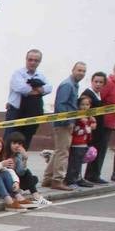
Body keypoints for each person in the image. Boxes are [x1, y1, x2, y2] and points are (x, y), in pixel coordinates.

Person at [45, 62, 86, 191]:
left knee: (59, 151)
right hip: (64, 123)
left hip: (67, 122)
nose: (81, 73)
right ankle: (58, 180)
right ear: (73, 70)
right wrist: (68, 121)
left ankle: (48, 178)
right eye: (79, 70)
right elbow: (61, 104)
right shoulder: (68, 85)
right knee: (63, 152)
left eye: (84, 71)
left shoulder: (74, 84)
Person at [89, 63, 115, 183]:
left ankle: (95, 174)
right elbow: (100, 99)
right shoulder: (109, 83)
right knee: (99, 149)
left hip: (111, 122)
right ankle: (93, 175)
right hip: (103, 122)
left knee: (102, 149)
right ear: (114, 70)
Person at [6, 48, 49, 147]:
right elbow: (22, 88)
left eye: (36, 60)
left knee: (25, 141)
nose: (33, 62)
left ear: (39, 62)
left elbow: (49, 88)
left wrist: (35, 89)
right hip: (15, 112)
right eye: (30, 59)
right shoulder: (18, 73)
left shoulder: (41, 75)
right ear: (26, 60)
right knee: (9, 141)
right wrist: (39, 89)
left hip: (32, 113)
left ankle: (20, 162)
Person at [67, 94, 97, 188]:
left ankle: (78, 178)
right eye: (82, 105)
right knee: (74, 162)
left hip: (84, 143)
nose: (85, 107)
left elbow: (92, 127)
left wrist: (93, 123)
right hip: (76, 143)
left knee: (79, 162)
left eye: (87, 105)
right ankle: (71, 180)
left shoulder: (88, 117)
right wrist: (86, 127)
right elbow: (76, 131)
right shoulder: (77, 117)